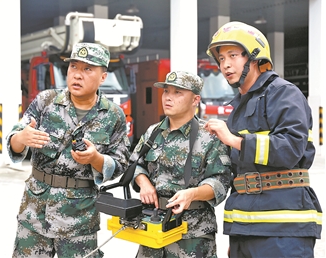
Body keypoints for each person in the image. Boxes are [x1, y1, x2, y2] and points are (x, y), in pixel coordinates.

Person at [204, 21, 322, 258]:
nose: (225, 64)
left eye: (233, 55)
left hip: (283, 230)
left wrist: (234, 140)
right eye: (221, 59)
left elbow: (290, 149)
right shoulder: (240, 105)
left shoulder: (283, 93)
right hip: (246, 228)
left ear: (255, 57)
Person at [7, 42, 130, 258]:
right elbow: (14, 140)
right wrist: (21, 138)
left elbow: (120, 163)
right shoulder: (46, 101)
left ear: (103, 77)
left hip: (79, 218)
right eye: (73, 67)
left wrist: (96, 159)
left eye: (87, 69)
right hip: (35, 212)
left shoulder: (113, 115)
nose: (77, 75)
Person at [130, 71, 232, 258]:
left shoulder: (209, 136)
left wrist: (192, 193)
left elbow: (220, 182)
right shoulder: (153, 132)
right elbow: (135, 165)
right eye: (166, 91)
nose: (168, 97)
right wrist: (144, 183)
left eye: (178, 92)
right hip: (153, 227)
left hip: (192, 233)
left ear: (195, 100)